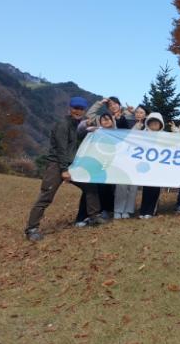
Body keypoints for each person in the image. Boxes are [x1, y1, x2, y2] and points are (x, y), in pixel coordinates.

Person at [25, 97, 107, 241]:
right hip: (56, 165)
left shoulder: (75, 125)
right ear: (70, 108)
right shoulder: (63, 125)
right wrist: (64, 170)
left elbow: (77, 137)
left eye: (81, 109)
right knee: (46, 196)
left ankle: (94, 216)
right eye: (75, 108)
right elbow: (61, 149)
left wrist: (91, 129)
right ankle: (31, 229)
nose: (78, 111)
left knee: (90, 186)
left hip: (71, 165)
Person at [114, 105, 148, 219]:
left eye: (141, 112)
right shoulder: (128, 122)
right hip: (125, 157)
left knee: (133, 186)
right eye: (137, 112)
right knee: (121, 185)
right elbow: (123, 131)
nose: (139, 114)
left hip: (138, 159)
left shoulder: (147, 126)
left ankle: (128, 210)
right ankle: (118, 209)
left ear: (146, 115)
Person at [138, 112, 165, 219]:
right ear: (148, 123)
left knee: (155, 189)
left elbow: (178, 139)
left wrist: (176, 130)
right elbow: (131, 136)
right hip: (146, 167)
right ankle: (143, 211)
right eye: (151, 122)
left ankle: (151, 211)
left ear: (160, 124)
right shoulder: (142, 135)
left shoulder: (165, 136)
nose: (154, 124)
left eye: (156, 123)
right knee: (146, 189)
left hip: (158, 167)